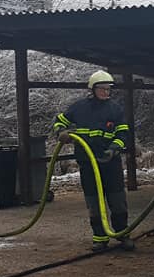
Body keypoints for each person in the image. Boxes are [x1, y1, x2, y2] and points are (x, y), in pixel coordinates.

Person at [53, 70, 134, 252]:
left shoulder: (115, 109)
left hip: (110, 164)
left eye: (108, 89)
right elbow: (59, 121)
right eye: (103, 89)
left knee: (117, 200)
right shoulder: (79, 108)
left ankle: (122, 235)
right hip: (88, 164)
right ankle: (100, 238)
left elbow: (123, 133)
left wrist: (114, 149)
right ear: (93, 89)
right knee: (94, 202)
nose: (106, 92)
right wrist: (61, 132)